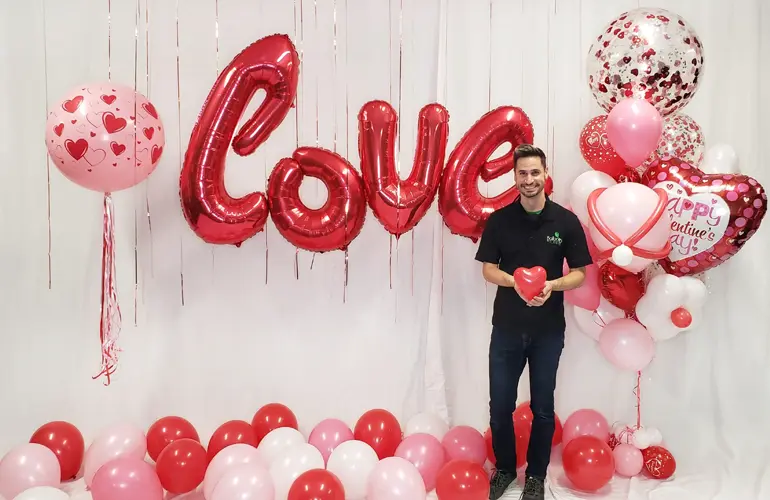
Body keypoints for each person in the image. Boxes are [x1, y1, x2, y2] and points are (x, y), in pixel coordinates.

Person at [475, 145, 593, 500]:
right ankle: (506, 469)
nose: (529, 180)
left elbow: (579, 274)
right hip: (507, 330)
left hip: (547, 332)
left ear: (545, 174)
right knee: (500, 406)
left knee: (543, 407)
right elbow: (488, 269)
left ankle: (537, 477)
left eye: (535, 173)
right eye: (522, 173)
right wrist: (518, 281)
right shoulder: (499, 221)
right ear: (515, 177)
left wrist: (550, 286)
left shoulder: (565, 221)